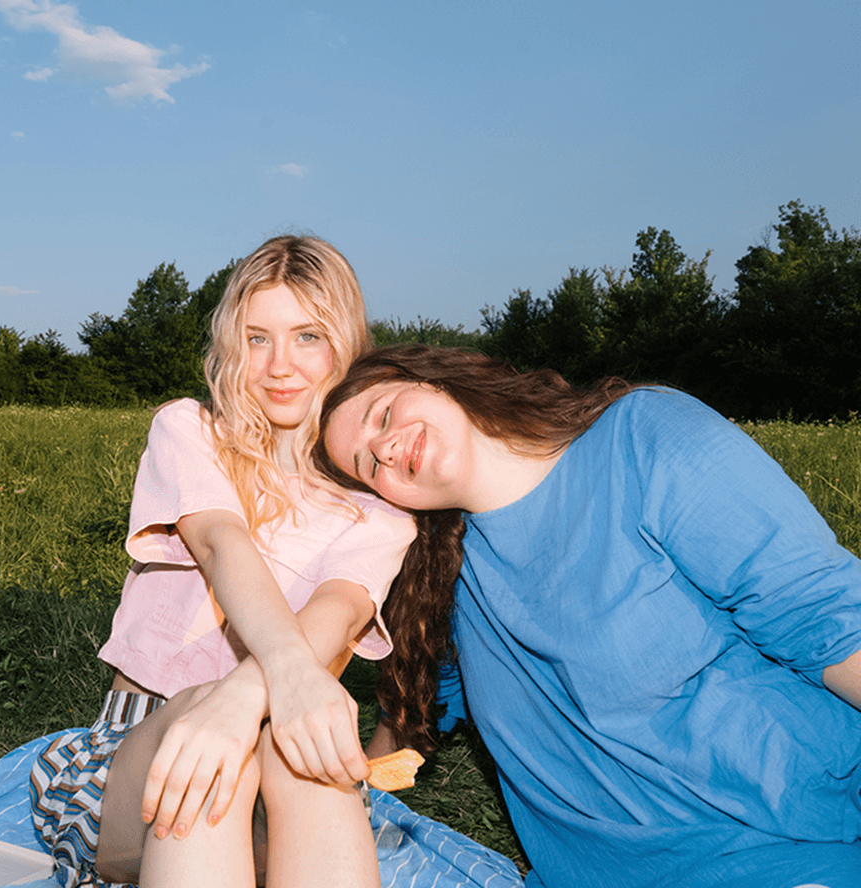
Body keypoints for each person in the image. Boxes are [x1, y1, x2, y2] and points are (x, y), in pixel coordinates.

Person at [316, 343, 861, 888]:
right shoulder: (445, 585)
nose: (386, 446)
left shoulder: (641, 437)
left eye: (383, 414)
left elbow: (826, 617)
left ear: (434, 378)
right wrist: (355, 791)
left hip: (777, 852)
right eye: (367, 465)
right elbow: (421, 706)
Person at [29, 236, 417, 888]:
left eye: (308, 337)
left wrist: (245, 698)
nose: (279, 365)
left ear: (346, 344)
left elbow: (338, 611)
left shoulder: (379, 515)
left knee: (283, 748)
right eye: (257, 338)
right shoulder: (191, 432)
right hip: (137, 751)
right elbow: (218, 542)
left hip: (278, 762)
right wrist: (245, 698)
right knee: (228, 748)